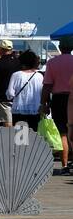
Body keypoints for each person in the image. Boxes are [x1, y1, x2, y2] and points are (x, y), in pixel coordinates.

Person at [41, 37, 73, 173]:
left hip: (59, 98)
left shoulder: (52, 63)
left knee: (63, 132)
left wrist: (44, 103)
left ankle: (65, 165)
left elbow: (47, 85)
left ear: (60, 48)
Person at [6, 50, 44, 133]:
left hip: (18, 109)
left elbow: (10, 94)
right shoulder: (40, 76)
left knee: (19, 139)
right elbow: (42, 94)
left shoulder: (16, 75)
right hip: (35, 110)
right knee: (33, 136)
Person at [0, 39, 20, 128]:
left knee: (7, 121)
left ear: (1, 49)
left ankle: (8, 140)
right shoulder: (18, 62)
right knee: (16, 120)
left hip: (3, 97)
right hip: (18, 95)